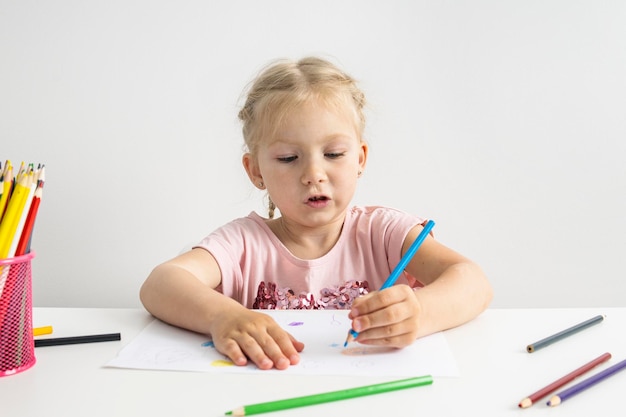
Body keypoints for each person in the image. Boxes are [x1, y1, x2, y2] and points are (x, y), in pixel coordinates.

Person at [140, 56, 493, 371]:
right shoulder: (243, 244)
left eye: (334, 153)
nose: (313, 173)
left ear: (360, 159)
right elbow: (160, 284)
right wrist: (224, 316)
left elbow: (473, 282)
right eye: (288, 159)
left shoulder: (385, 232)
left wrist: (420, 313)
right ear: (256, 171)